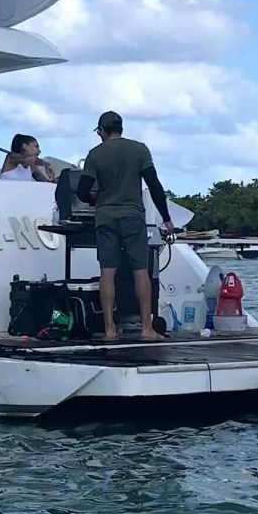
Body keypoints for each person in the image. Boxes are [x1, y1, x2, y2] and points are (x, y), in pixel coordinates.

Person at [80, 110, 177, 342]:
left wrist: (97, 199)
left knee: (107, 272)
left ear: (101, 130)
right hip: (133, 216)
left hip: (105, 218)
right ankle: (146, 328)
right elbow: (154, 185)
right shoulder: (139, 149)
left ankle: (110, 330)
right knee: (140, 271)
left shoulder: (95, 154)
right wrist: (166, 218)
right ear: (120, 128)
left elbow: (82, 191)